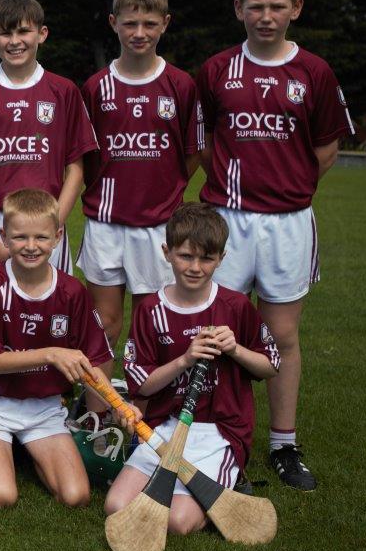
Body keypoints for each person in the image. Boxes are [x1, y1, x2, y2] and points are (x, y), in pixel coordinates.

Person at [195, 0, 353, 490]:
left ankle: (284, 445)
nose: (266, 16)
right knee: (217, 330)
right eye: (256, 6)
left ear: (296, 9)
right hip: (228, 220)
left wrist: (290, 186)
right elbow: (203, 143)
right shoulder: (217, 69)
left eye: (277, 7)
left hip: (289, 222)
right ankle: (218, 439)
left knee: (281, 334)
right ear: (239, 9)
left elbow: (327, 146)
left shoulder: (314, 72)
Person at [105, 203, 281, 533]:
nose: (196, 267)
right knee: (115, 505)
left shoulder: (235, 306)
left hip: (219, 431)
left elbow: (270, 366)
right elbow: (142, 385)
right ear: (167, 252)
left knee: (177, 522)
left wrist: (235, 349)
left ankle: (229, 478)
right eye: (186, 256)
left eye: (207, 258)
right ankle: (193, 487)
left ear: (222, 258)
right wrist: (185, 359)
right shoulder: (152, 311)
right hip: (166, 427)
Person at [0, 188, 115, 509]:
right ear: (4, 236)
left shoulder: (72, 292)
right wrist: (51, 353)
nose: (31, 246)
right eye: (20, 237)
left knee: (76, 497)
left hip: (42, 407)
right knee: (2, 497)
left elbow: (94, 360)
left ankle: (19, 450)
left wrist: (115, 404)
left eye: (41, 237)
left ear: (58, 236)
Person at [77, 0, 203, 371]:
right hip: (105, 223)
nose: (139, 33)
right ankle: (97, 418)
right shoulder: (96, 87)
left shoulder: (181, 85)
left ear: (165, 23)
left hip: (158, 226)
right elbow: (87, 157)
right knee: (106, 324)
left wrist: (161, 191)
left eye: (149, 24)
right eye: (130, 23)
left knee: (151, 326)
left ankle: (144, 417)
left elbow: (191, 154)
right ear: (114, 22)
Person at [0, 0, 96, 273]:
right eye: (5, 33)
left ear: (42, 34)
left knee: (49, 309)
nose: (15, 41)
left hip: (47, 224)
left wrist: (55, 224)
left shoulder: (63, 91)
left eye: (23, 31)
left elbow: (75, 168)